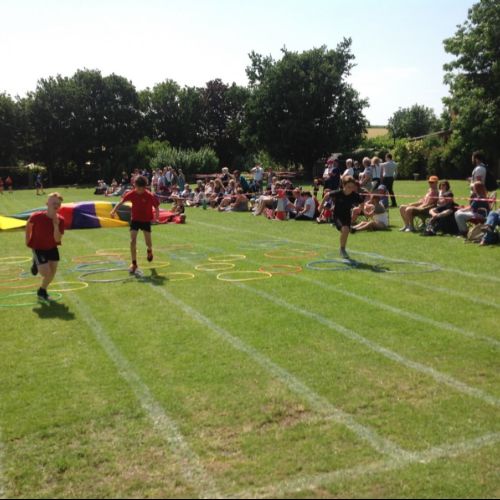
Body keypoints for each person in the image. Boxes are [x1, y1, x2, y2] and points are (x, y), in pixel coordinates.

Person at [110, 175, 160, 275]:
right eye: (137, 188)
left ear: (145, 187)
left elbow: (156, 207)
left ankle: (149, 250)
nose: (139, 191)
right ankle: (134, 263)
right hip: (135, 220)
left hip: (146, 220)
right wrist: (113, 210)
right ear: (135, 186)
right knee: (132, 240)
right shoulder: (131, 193)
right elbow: (121, 202)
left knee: (148, 242)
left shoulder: (149, 195)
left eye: (141, 189)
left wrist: (156, 218)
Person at [25, 192, 65, 302]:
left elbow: (57, 239)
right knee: (45, 273)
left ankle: (42, 291)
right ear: (47, 203)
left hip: (52, 247)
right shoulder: (36, 216)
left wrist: (56, 225)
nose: (56, 205)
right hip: (38, 247)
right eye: (53, 202)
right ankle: (36, 262)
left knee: (52, 273)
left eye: (58, 203)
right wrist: (27, 240)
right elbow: (28, 225)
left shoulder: (60, 220)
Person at [328, 176, 363, 259]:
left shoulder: (355, 195)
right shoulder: (338, 193)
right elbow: (327, 195)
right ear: (343, 185)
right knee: (345, 230)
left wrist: (359, 208)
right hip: (337, 216)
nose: (350, 189)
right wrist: (321, 206)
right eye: (348, 187)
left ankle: (342, 249)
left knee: (345, 230)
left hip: (347, 216)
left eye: (352, 187)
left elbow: (362, 203)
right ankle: (342, 249)